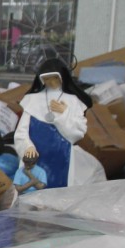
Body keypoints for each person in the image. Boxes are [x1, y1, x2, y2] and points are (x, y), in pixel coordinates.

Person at [12, 58, 92, 189]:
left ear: (62, 77)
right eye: (47, 79)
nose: (51, 82)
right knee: (31, 191)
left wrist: (64, 113)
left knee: (59, 192)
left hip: (62, 157)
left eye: (54, 78)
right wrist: (27, 147)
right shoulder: (32, 100)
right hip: (35, 155)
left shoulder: (73, 101)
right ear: (41, 79)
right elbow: (21, 131)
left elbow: (76, 135)